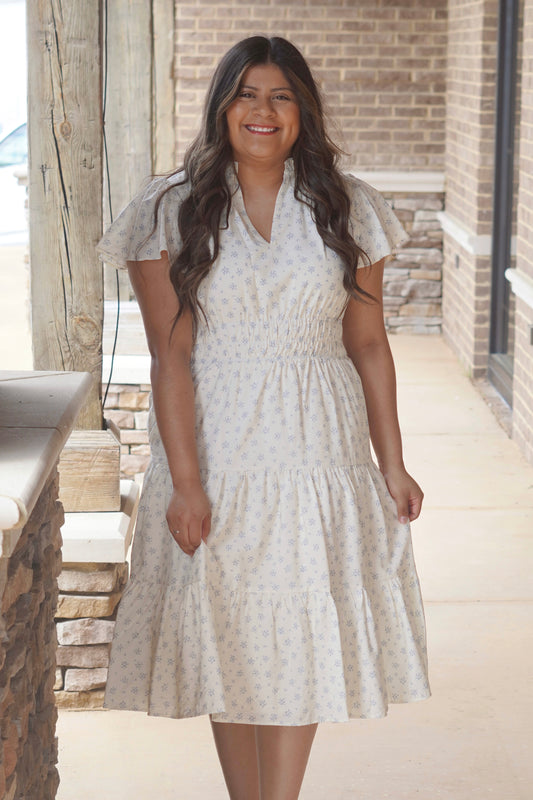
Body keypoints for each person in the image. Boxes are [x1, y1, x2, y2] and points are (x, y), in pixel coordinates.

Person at [97, 35, 430, 800]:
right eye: (246, 93)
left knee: (298, 633)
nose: (262, 110)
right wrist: (185, 482)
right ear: (220, 106)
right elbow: (169, 357)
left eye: (280, 96)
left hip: (320, 451)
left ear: (302, 111)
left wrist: (391, 462)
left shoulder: (349, 208)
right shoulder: (165, 210)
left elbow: (370, 346)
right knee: (234, 629)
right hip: (218, 450)